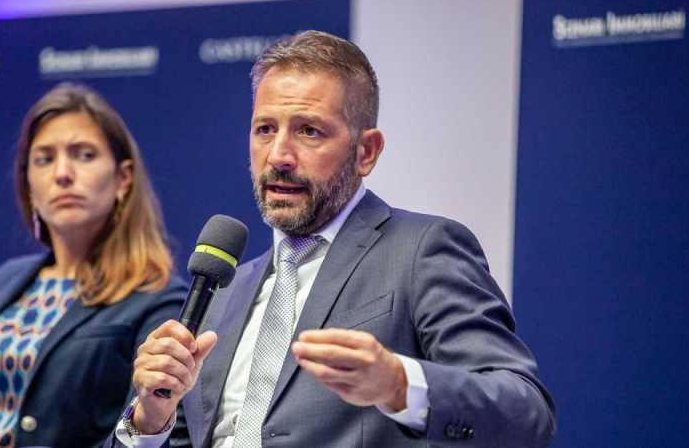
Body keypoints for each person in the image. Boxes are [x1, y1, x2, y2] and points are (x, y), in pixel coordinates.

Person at [110, 31, 556, 448]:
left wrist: (399, 384)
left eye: (309, 131)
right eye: (265, 129)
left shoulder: (421, 250)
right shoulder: (224, 293)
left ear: (366, 152)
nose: (279, 156)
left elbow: (526, 412)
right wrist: (150, 420)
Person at [0, 83, 187, 448]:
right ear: (29, 185)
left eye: (84, 155)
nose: (62, 173)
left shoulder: (159, 298)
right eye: (44, 159)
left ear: (123, 178)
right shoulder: (7, 279)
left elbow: (141, 435)